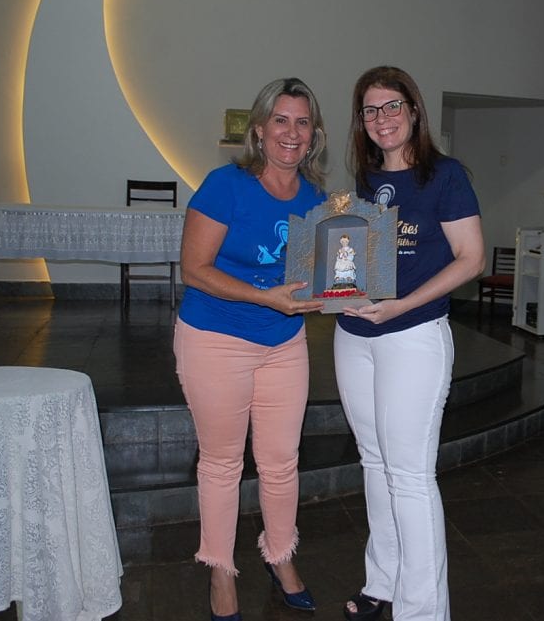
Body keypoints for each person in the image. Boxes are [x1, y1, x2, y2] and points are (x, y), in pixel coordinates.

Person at [173, 78, 328, 621]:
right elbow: (194, 269)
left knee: (282, 461)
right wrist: (266, 296)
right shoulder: (226, 185)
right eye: (281, 120)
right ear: (259, 130)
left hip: (283, 342)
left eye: (303, 122)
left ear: (314, 134)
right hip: (216, 339)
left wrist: (345, 291)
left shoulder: (316, 199)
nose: (292, 132)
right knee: (222, 463)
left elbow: (317, 273)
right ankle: (221, 571)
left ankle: (280, 556)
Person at [334, 66, 485, 621]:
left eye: (392, 106)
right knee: (374, 463)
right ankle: (384, 582)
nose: (382, 119)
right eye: (371, 110)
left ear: (414, 110)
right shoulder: (365, 181)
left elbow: (472, 259)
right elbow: (355, 257)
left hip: (414, 335)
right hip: (355, 336)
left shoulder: (445, 175)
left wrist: (401, 305)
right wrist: (335, 289)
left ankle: (422, 611)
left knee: (411, 476)